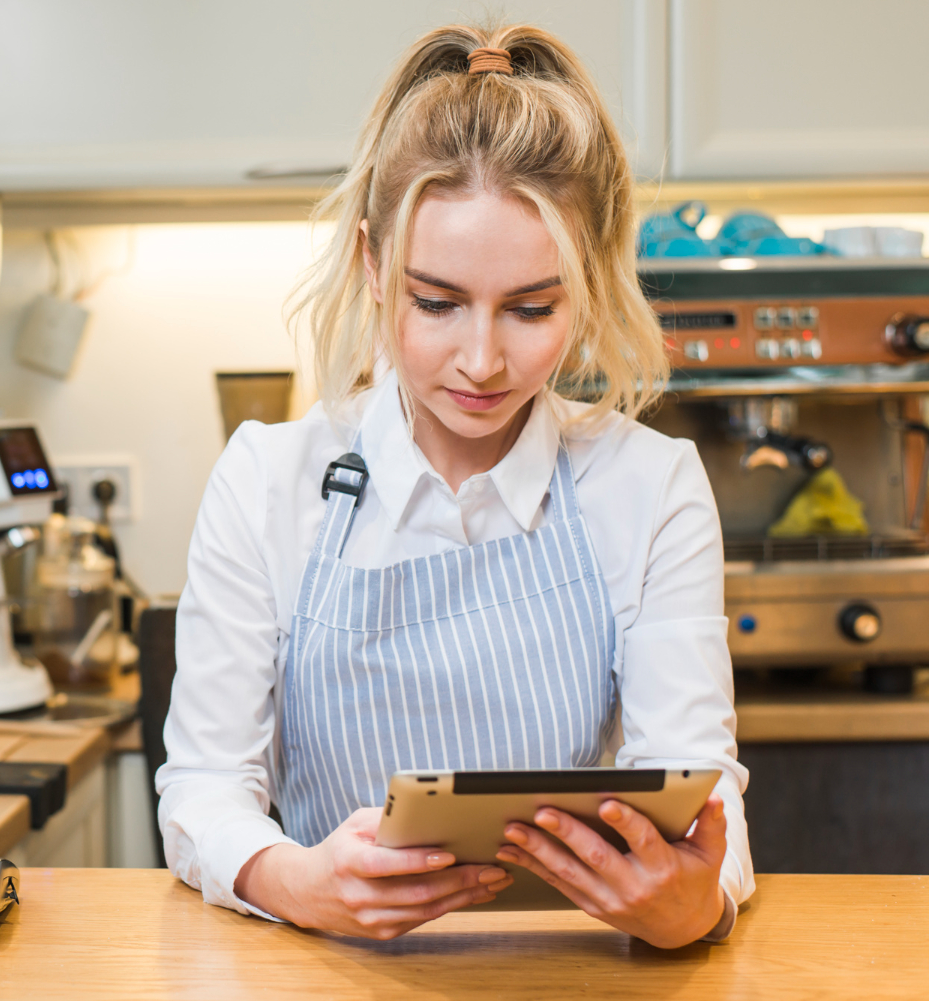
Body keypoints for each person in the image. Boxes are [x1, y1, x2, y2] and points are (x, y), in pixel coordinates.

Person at [155, 23, 754, 949]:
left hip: (563, 968)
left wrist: (695, 904)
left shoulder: (651, 485)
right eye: (435, 302)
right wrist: (299, 881)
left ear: (587, 285)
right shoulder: (267, 481)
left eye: (531, 307)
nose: (481, 360)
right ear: (371, 264)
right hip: (328, 966)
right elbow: (201, 790)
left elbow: (701, 790)